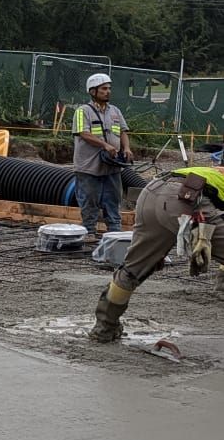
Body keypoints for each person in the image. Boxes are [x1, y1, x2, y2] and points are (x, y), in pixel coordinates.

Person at [90, 159, 224, 342]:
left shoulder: (213, 172)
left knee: (132, 270)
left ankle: (104, 328)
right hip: (188, 201)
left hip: (151, 193)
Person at [72, 74, 133, 237]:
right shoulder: (82, 111)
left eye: (109, 89)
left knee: (113, 202)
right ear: (93, 91)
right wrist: (105, 145)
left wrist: (126, 148)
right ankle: (89, 234)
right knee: (89, 203)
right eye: (104, 89)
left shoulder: (115, 111)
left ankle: (114, 236)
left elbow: (123, 131)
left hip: (111, 168)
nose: (108, 92)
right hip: (89, 168)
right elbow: (83, 133)